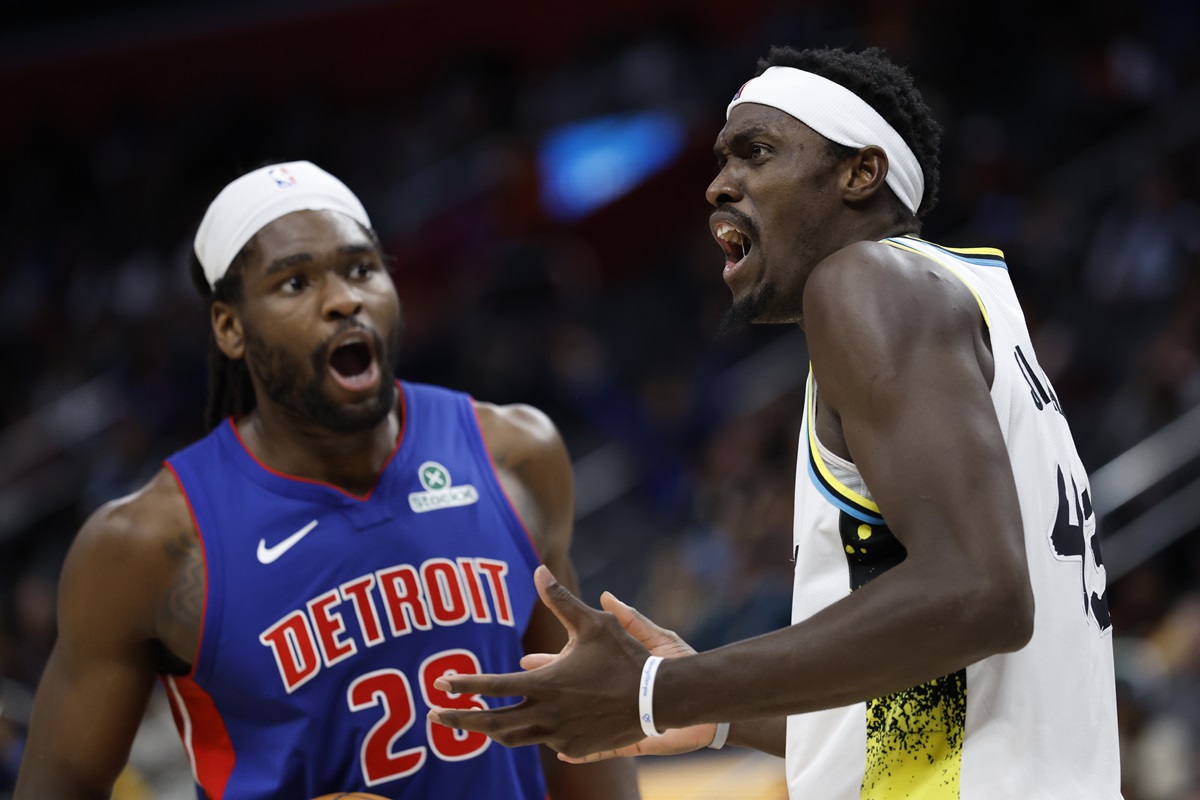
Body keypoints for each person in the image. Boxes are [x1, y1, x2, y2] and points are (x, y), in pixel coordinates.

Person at [426, 45, 1124, 799]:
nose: (718, 185)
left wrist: (662, 689)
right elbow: (930, 708)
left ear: (860, 173)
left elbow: (980, 595)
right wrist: (716, 712)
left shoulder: (865, 283)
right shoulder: (972, 302)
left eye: (755, 152)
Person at [14, 161, 640, 800]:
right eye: (294, 283)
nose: (344, 299)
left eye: (362, 269)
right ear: (230, 327)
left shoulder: (516, 454)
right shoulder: (146, 545)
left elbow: (582, 729)